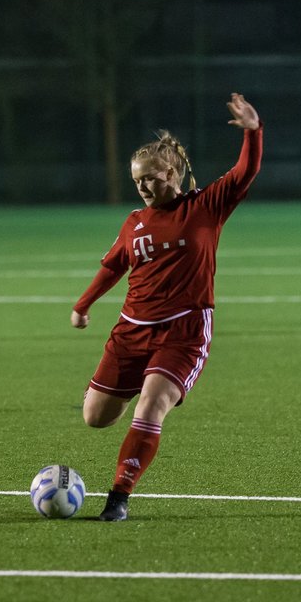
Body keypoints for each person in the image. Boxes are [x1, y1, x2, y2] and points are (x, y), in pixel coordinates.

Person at [70, 92, 262, 521]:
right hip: (131, 330)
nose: (142, 186)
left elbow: (244, 172)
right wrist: (83, 305)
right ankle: (138, 381)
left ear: (172, 173)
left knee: (151, 405)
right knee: (95, 418)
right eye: (137, 180)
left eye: (150, 178)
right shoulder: (134, 222)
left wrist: (253, 132)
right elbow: (112, 267)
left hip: (184, 331)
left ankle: (118, 496)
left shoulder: (205, 207)